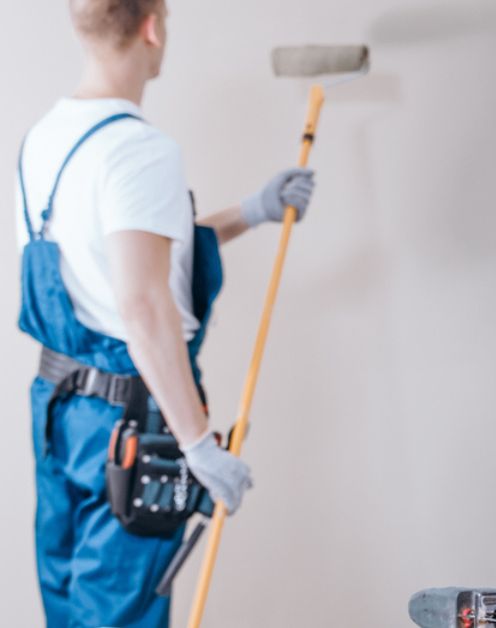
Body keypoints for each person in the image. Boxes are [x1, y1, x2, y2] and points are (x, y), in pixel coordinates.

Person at [15, 1, 316, 625]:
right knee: (119, 616)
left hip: (61, 409)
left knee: (70, 606)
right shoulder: (141, 150)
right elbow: (141, 301)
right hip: (132, 422)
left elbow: (123, 256)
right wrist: (199, 444)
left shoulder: (46, 136)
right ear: (152, 25)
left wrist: (249, 211)